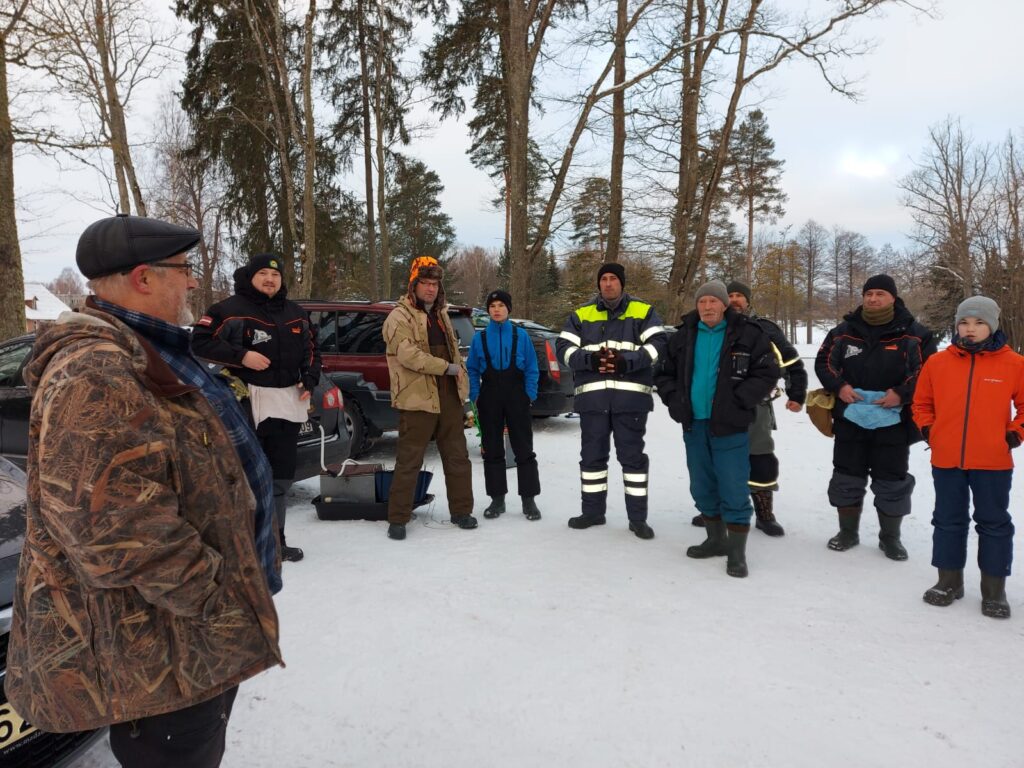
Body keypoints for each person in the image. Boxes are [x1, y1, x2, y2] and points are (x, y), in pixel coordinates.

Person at [4, 214, 282, 768]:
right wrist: (216, 598)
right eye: (184, 270)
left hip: (189, 633)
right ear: (143, 278)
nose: (194, 282)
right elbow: (115, 529)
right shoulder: (96, 371)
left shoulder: (151, 348)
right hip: (165, 645)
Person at [192, 253, 321, 563]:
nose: (270, 279)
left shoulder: (295, 312)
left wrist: (309, 379)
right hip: (244, 404)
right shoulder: (229, 310)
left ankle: (276, 541)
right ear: (250, 277)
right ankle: (242, 543)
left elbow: (313, 349)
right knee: (246, 477)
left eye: (275, 275)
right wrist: (241, 356)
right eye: (262, 273)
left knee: (280, 478)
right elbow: (199, 342)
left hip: (286, 403)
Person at [654, 280, 779, 577]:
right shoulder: (683, 335)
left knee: (734, 486)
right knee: (701, 484)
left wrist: (740, 400)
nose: (707, 307)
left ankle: (736, 553)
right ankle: (715, 539)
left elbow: (767, 371)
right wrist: (675, 401)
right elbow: (663, 372)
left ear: (724, 304)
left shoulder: (749, 334)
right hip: (694, 423)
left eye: (713, 301)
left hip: (731, 425)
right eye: (702, 302)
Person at [912, 296, 1024, 619]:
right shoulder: (938, 363)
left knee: (993, 523)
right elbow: (921, 403)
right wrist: (930, 430)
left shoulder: (1014, 364)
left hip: (992, 461)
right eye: (964, 322)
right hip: (946, 459)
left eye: (979, 323)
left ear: (992, 326)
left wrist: (1014, 433)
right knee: (947, 519)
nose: (970, 329)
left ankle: (994, 590)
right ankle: (948, 582)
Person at [815, 274, 936, 560]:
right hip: (850, 418)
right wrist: (839, 387)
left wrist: (902, 394)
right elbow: (824, 362)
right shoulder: (843, 332)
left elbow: (928, 372)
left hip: (894, 422)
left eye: (880, 293)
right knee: (847, 475)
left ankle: (890, 538)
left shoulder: (915, 334)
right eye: (868, 293)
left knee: (892, 480)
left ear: (893, 297)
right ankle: (847, 532)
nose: (873, 299)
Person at [555, 262, 668, 539]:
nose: (608, 283)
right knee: (592, 459)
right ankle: (592, 513)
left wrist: (625, 362)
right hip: (593, 402)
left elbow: (658, 346)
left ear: (622, 283)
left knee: (632, 461)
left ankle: (638, 519)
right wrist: (590, 359)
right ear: (598, 284)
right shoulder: (581, 314)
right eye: (603, 279)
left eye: (613, 279)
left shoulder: (643, 312)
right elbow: (563, 348)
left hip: (630, 403)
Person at [382, 256, 477, 539]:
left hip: (448, 395)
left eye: (434, 284)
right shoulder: (398, 316)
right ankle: (397, 518)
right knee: (409, 460)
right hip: (416, 398)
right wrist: (445, 367)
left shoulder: (442, 314)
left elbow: (455, 355)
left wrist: (463, 387)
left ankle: (462, 511)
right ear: (413, 284)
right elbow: (407, 355)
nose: (430, 289)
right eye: (424, 282)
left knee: (458, 456)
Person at [466, 289, 542, 520]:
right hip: (490, 396)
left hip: (516, 395)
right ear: (488, 310)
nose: (496, 309)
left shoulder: (521, 336)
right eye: (492, 306)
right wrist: (476, 395)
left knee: (523, 449)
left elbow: (531, 367)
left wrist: (529, 394)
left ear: (508, 309)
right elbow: (472, 369)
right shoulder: (479, 338)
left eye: (501, 305)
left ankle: (529, 501)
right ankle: (497, 500)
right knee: (492, 449)